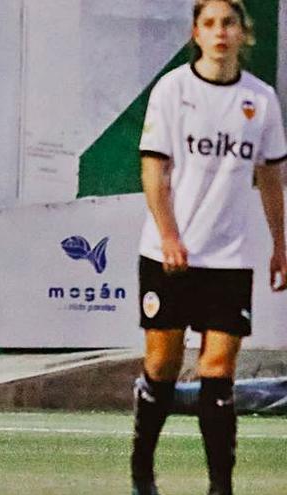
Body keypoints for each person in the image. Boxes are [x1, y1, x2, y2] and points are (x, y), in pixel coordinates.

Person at [132, 1, 287, 494]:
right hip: (168, 254)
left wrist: (280, 246)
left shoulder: (260, 100)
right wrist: (170, 234)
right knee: (162, 367)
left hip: (228, 258)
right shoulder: (173, 90)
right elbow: (153, 170)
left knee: (217, 369)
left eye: (229, 23)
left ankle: (221, 486)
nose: (220, 33)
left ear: (244, 33)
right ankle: (142, 473)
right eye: (210, 24)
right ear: (195, 34)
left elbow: (269, 176)